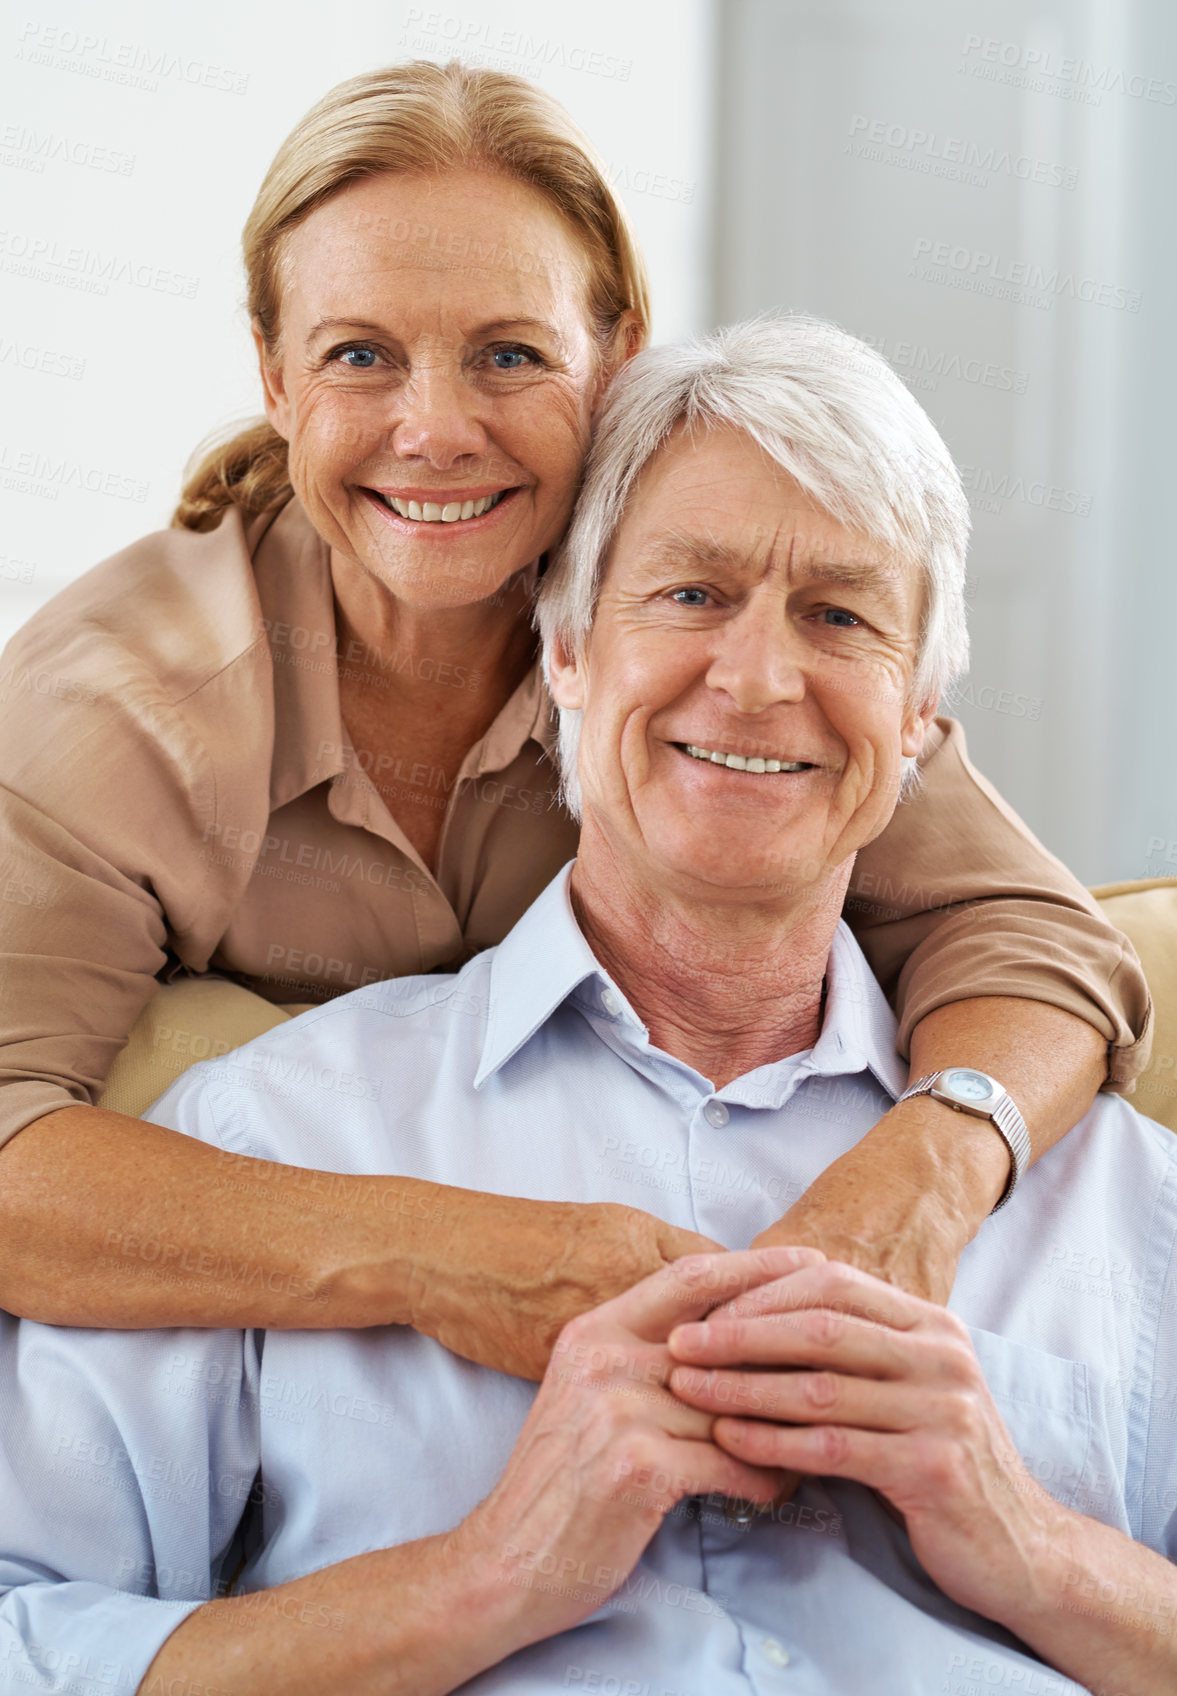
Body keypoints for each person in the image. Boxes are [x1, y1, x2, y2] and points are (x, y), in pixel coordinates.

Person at [1, 318, 1172, 1696]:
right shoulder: (269, 1137)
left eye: (840, 615)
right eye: (688, 594)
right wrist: (482, 1577)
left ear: (918, 716)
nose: (754, 679)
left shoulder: (1127, 1203)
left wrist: (1029, 1543)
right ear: (560, 654)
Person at [0, 64, 1150, 1373]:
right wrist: (448, 1254)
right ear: (272, 374)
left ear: (616, 353)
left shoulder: (690, 626)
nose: (435, 431)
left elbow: (1033, 939)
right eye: (359, 356)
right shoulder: (117, 698)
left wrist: (927, 1171)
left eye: (509, 354)